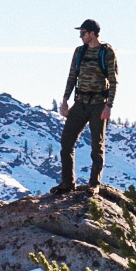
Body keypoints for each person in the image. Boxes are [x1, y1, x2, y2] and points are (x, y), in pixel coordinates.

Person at [54, 19, 117, 194]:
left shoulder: (107, 52)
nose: (80, 36)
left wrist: (108, 106)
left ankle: (94, 184)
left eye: (83, 33)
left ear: (92, 33)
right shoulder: (79, 52)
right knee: (66, 142)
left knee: (97, 146)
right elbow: (72, 76)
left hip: (99, 105)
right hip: (80, 103)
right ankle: (68, 183)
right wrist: (65, 100)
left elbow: (113, 81)